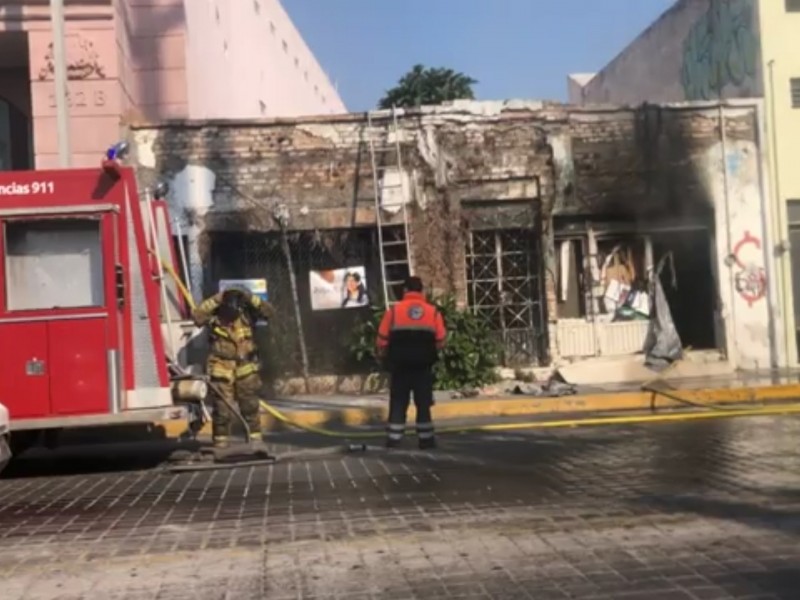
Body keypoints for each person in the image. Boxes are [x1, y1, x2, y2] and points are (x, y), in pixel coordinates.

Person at [192, 286, 275, 450]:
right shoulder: (214, 316)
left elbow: (269, 312)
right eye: (228, 302)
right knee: (222, 410)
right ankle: (220, 443)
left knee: (250, 406)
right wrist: (217, 298)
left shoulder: (247, 314)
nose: (231, 307)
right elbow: (197, 316)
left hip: (246, 367)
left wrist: (250, 297)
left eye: (234, 301)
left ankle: (255, 440)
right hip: (221, 367)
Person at [376, 276, 446, 449]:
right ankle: (426, 439)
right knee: (423, 403)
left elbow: (382, 339)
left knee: (399, 402)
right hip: (423, 367)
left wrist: (382, 355)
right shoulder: (432, 311)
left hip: (400, 366)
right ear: (421, 291)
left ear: (405, 290)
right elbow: (441, 340)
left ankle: (394, 439)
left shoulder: (394, 311)